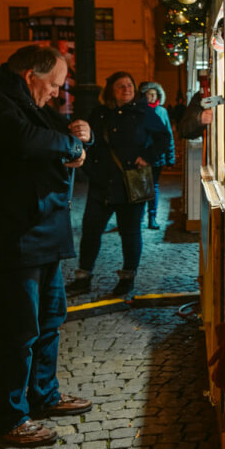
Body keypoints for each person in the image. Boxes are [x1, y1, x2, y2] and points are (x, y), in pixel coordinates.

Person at [0, 45, 93, 448]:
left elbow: (57, 132)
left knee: (50, 319)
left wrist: (79, 133)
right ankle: (9, 417)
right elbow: (26, 141)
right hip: (14, 235)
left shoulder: (27, 103)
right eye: (54, 85)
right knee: (18, 330)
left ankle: (43, 395)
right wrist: (72, 148)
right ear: (29, 77)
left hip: (42, 231)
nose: (57, 93)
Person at [73, 71, 170, 297]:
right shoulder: (100, 113)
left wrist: (147, 156)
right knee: (90, 230)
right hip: (102, 183)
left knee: (130, 232)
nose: (126, 89)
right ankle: (83, 277)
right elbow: (89, 141)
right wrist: (89, 168)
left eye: (129, 85)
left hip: (130, 183)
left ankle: (127, 278)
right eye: (120, 86)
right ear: (111, 91)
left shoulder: (143, 111)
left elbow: (163, 137)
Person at [138, 81, 176, 230]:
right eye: (149, 94)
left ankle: (152, 217)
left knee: (153, 187)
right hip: (141, 156)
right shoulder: (139, 110)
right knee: (140, 186)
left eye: (155, 94)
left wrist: (170, 157)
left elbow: (169, 136)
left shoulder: (162, 111)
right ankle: (139, 216)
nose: (152, 97)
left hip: (157, 157)